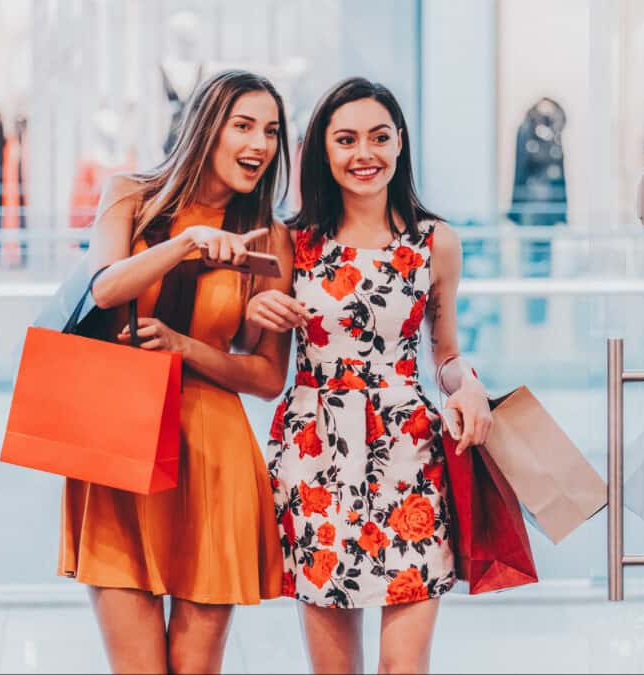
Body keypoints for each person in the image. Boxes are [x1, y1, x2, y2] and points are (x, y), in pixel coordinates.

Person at [250, 77, 493, 674]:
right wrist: (254, 312)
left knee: (403, 667)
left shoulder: (436, 242)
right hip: (315, 456)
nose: (365, 154)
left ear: (401, 143)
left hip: (408, 450)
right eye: (347, 139)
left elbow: (444, 354)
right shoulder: (292, 243)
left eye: (380, 137)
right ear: (322, 151)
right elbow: (259, 359)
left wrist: (471, 385)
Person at [59, 69, 293, 675]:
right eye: (243, 125)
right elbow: (106, 287)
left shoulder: (269, 238)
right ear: (205, 129)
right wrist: (187, 244)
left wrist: (186, 347)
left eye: (270, 130)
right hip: (119, 448)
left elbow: (268, 377)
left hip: (213, 458)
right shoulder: (128, 196)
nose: (259, 144)